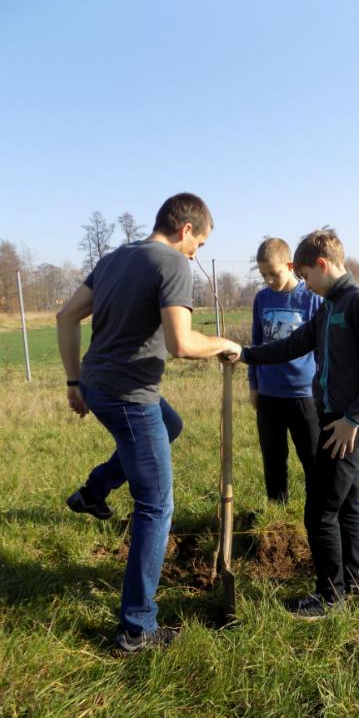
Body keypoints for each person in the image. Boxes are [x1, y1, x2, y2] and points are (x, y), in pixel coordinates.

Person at [56, 193, 241, 654]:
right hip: (130, 397)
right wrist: (224, 343)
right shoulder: (172, 263)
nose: (196, 255)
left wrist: (74, 381)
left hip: (98, 385)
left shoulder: (115, 258)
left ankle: (93, 492)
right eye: (200, 244)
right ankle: (136, 629)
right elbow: (181, 343)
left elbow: (66, 315)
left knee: (171, 425)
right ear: (186, 230)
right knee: (156, 507)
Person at [236, 228, 359, 618]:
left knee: (320, 510)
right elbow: (293, 345)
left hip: (348, 423)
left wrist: (352, 419)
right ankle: (354, 582)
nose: (304, 284)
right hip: (331, 417)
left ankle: (329, 596)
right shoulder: (328, 307)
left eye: (306, 276)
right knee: (347, 503)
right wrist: (245, 354)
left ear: (322, 265)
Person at [248, 237, 321, 503]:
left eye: (274, 273)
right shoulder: (262, 299)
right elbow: (256, 343)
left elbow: (321, 348)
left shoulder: (311, 298)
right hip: (269, 394)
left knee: (313, 458)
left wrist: (323, 389)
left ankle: (318, 509)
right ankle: (276, 510)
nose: (269, 280)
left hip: (304, 395)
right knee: (273, 458)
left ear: (290, 266)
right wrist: (254, 385)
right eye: (263, 275)